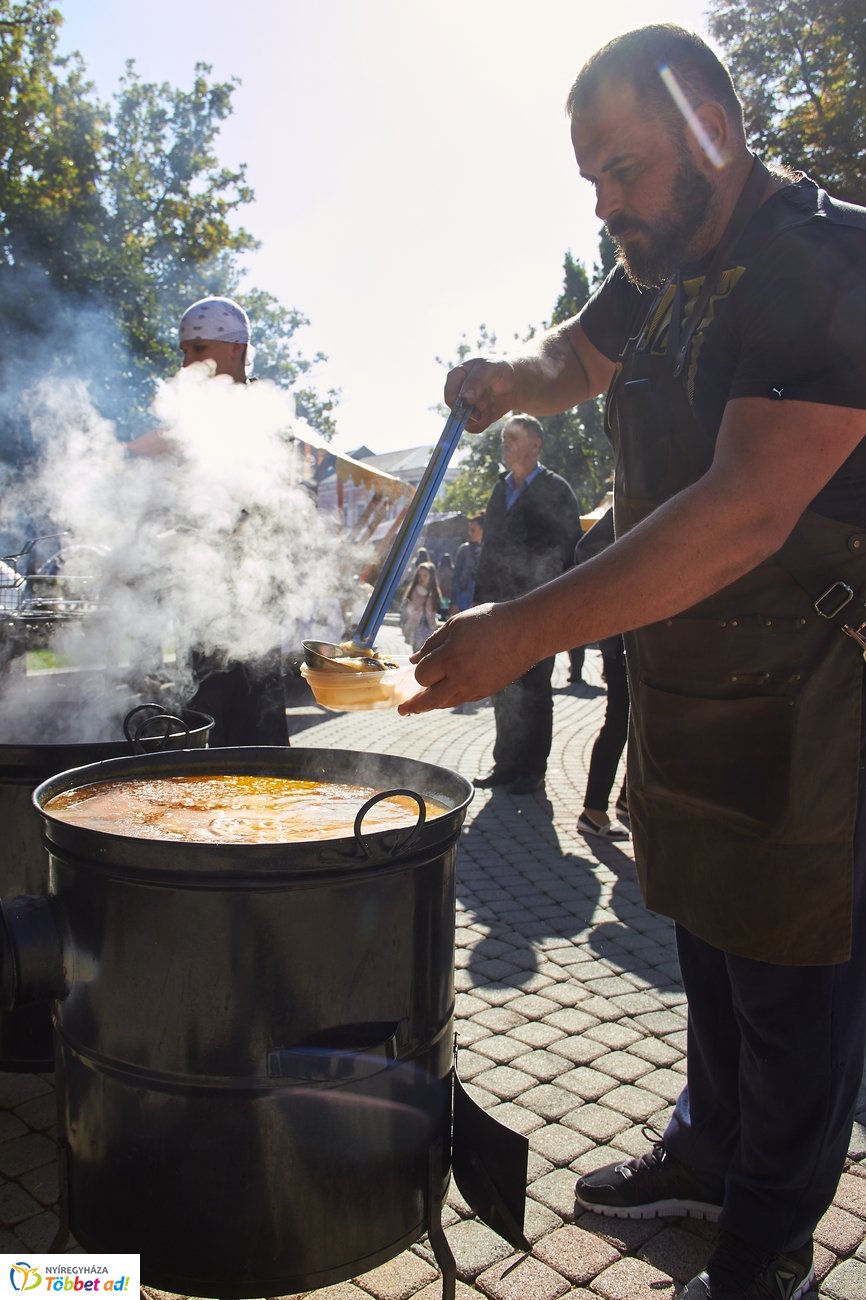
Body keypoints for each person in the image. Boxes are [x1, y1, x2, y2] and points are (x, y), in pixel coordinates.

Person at [399, 24, 866, 1300]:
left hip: (815, 688)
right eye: (590, 180)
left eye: (623, 169)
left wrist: (518, 628)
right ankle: (705, 1150)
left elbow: (743, 510)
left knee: (791, 975)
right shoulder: (660, 258)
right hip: (690, 675)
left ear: (712, 127)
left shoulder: (826, 261)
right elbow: (574, 357)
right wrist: (508, 377)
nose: (606, 205)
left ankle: (767, 1236)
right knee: (705, 931)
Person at [129, 296, 288, 747]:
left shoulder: (262, 411)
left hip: (252, 600)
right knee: (203, 718)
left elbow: (268, 509)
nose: (187, 363)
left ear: (236, 348)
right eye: (184, 351)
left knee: (255, 725)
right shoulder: (195, 419)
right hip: (201, 598)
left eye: (198, 349)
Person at [472, 414, 581, 796]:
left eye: (513, 438)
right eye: (504, 438)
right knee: (502, 686)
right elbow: (488, 550)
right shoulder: (500, 489)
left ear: (536, 444)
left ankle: (532, 770)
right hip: (497, 609)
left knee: (534, 690)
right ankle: (506, 764)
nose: (506, 445)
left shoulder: (556, 489)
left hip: (538, 609)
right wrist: (476, 605)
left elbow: (570, 549)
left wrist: (556, 605)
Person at [573, 508, 629, 839]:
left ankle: (628, 800)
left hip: (650, 639)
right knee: (619, 721)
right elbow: (587, 551)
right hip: (624, 640)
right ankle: (594, 810)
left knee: (645, 724)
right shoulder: (639, 490)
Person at [399, 559, 442, 653]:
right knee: (418, 651)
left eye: (425, 576)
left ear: (431, 577)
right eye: (420, 575)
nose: (422, 578)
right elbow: (409, 609)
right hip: (417, 626)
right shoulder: (416, 591)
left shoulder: (433, 592)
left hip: (429, 627)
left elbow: (433, 610)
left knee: (427, 651)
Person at [451, 513, 484, 612]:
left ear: (483, 530)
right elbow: (456, 576)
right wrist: (454, 601)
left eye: (473, 530)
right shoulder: (464, 549)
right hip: (463, 597)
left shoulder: (489, 551)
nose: (470, 533)